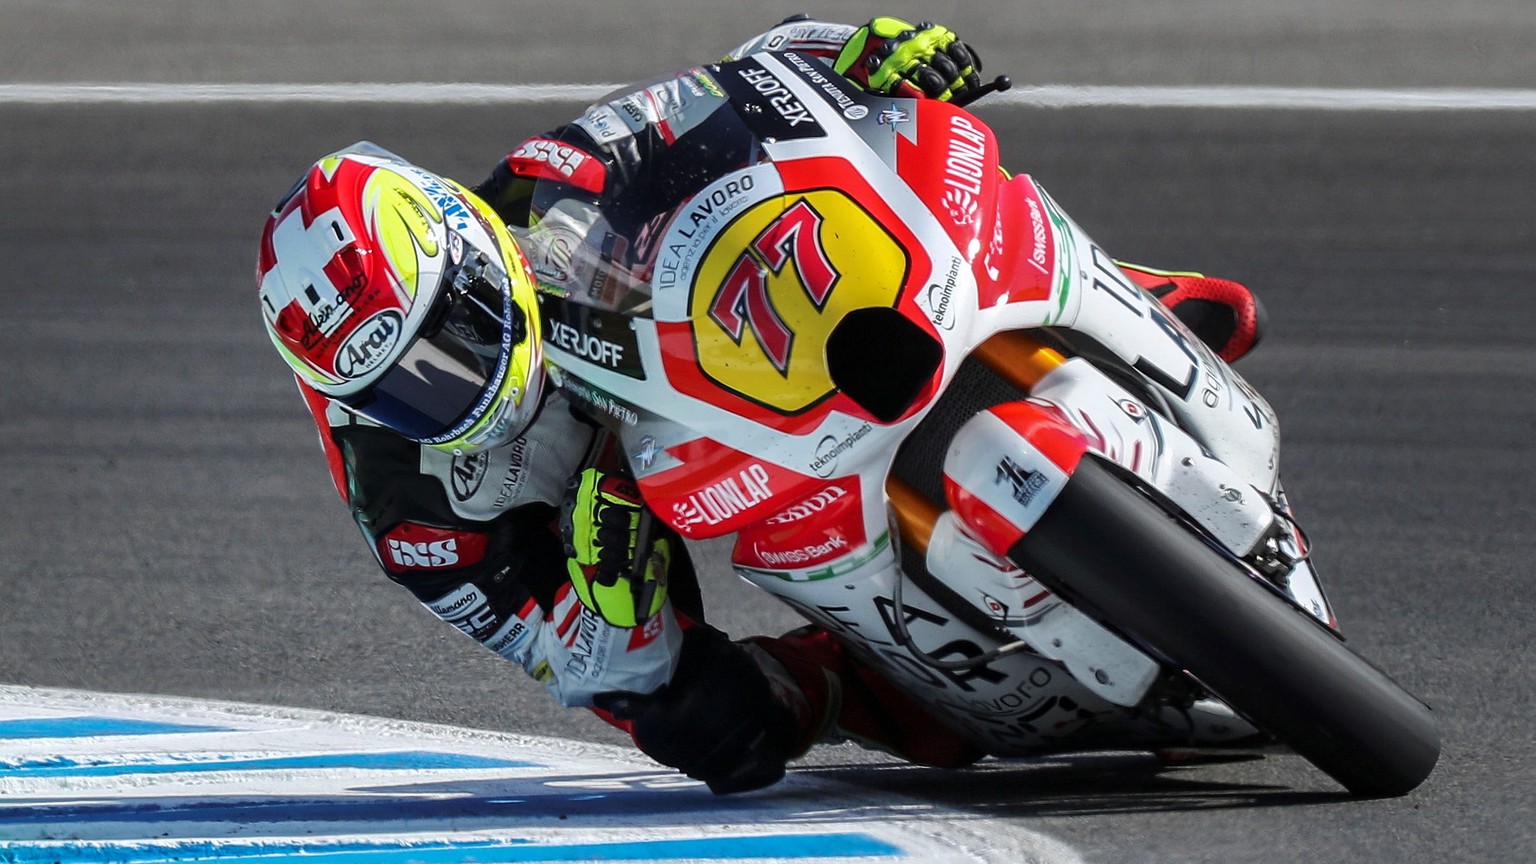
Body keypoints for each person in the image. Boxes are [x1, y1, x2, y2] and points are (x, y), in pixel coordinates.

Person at [255, 15, 1265, 794]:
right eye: (402, 388)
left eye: (453, 337)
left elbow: (746, 82)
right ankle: (870, 673)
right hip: (603, 519)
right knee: (714, 729)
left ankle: (1108, 297)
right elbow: (562, 654)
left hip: (706, 362)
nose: (447, 383)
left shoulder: (546, 189)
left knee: (916, 225)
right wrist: (608, 601)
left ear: (469, 250)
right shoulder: (404, 503)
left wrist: (862, 56)